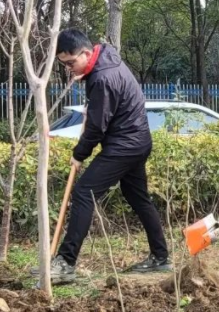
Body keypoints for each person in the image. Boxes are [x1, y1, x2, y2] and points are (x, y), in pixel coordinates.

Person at [39, 28, 171, 283]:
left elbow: (97, 127)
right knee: (138, 196)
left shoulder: (102, 77)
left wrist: (80, 154)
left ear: (87, 53)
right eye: (64, 64)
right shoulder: (106, 60)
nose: (69, 69)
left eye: (71, 62)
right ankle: (161, 256)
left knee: (83, 193)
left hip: (125, 145)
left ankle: (65, 263)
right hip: (138, 141)